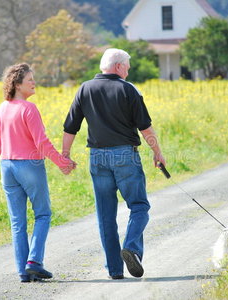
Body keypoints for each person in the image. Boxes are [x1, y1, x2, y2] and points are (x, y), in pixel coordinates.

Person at [62, 48, 166, 279]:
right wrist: (157, 152)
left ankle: (115, 270)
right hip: (125, 156)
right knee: (139, 206)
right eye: (127, 67)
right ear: (118, 66)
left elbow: (70, 127)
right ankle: (131, 248)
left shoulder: (84, 88)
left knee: (105, 215)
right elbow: (144, 127)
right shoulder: (128, 89)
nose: (128, 72)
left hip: (97, 157)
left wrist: (65, 155)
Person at [0, 63, 76, 283]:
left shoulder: (2, 108)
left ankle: (24, 272)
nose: (34, 82)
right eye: (29, 79)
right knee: (43, 214)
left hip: (6, 166)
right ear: (17, 84)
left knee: (17, 222)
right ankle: (34, 261)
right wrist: (62, 162)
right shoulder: (28, 109)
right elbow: (41, 143)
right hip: (29, 165)